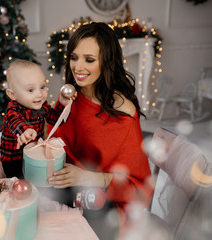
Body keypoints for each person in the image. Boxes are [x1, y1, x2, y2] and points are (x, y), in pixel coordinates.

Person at [47, 22, 153, 239]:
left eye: (89, 60)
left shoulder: (122, 111)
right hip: (65, 191)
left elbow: (137, 185)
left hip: (104, 206)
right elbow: (52, 138)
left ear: (107, 62)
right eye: (74, 57)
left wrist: (86, 177)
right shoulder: (71, 96)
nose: (78, 67)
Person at [0, 59, 71, 179]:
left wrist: (62, 104)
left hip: (34, 153)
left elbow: (54, 120)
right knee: (20, 183)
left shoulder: (41, 104)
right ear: (12, 95)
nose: (39, 94)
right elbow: (16, 122)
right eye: (30, 90)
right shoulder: (12, 111)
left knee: (41, 178)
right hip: (14, 158)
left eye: (42, 87)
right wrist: (25, 131)